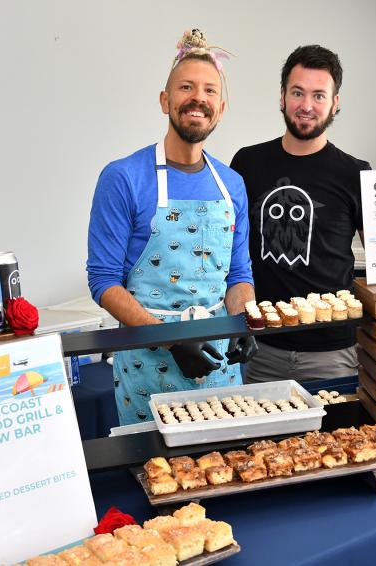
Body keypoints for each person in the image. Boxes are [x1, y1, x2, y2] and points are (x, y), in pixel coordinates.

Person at [87, 29, 257, 425]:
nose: (199, 97)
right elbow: (104, 282)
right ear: (166, 100)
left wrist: (246, 322)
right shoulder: (123, 177)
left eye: (210, 90)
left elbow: (239, 275)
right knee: (159, 477)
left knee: (225, 471)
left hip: (220, 364)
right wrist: (171, 338)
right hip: (148, 366)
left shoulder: (232, 184)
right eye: (186, 87)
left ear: (221, 106)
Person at [230, 44, 370, 383]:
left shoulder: (357, 174)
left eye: (319, 95)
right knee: (257, 438)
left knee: (335, 437)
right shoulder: (246, 163)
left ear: (335, 103)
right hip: (259, 349)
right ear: (282, 97)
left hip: (333, 353)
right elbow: (227, 252)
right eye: (298, 93)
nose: (307, 106)